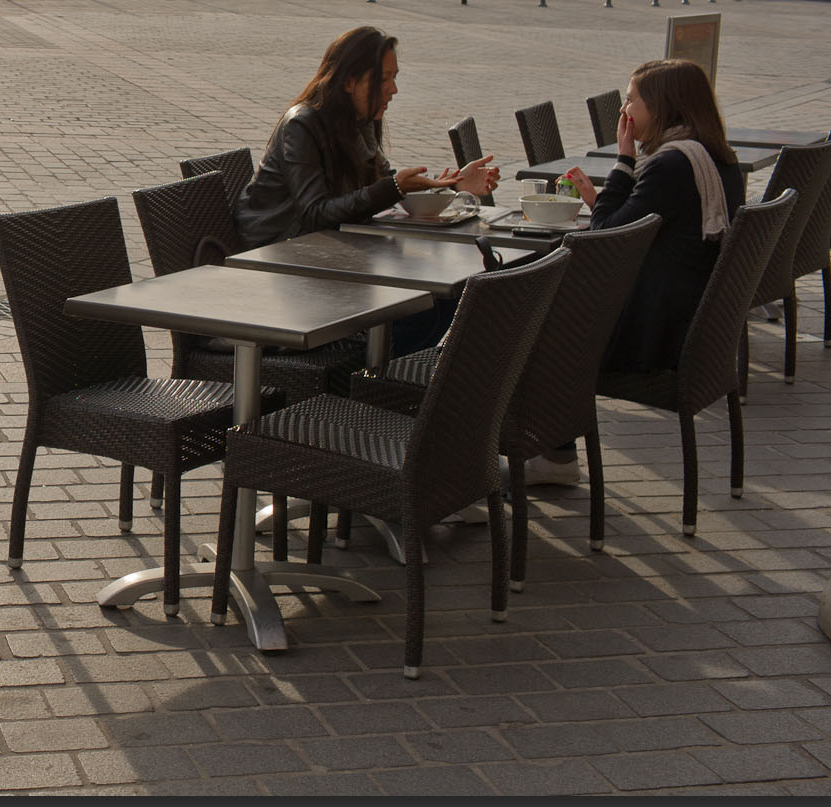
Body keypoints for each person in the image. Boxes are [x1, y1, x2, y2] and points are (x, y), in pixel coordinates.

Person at [532, 58, 747, 486]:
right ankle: (553, 455)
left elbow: (603, 235)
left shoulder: (672, 165)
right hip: (698, 332)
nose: (624, 111)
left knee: (538, 328)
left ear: (662, 106)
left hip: (656, 337)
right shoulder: (720, 160)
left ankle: (553, 458)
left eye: (631, 100)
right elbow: (627, 226)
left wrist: (624, 160)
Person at [235, 25, 500, 353]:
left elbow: (388, 188)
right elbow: (316, 213)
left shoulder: (361, 121)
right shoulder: (301, 124)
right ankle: (365, 377)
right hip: (284, 265)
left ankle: (376, 378)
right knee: (425, 304)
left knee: (445, 296)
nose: (393, 89)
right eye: (383, 78)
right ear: (349, 81)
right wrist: (392, 188)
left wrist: (451, 187)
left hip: (335, 256)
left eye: (395, 76)